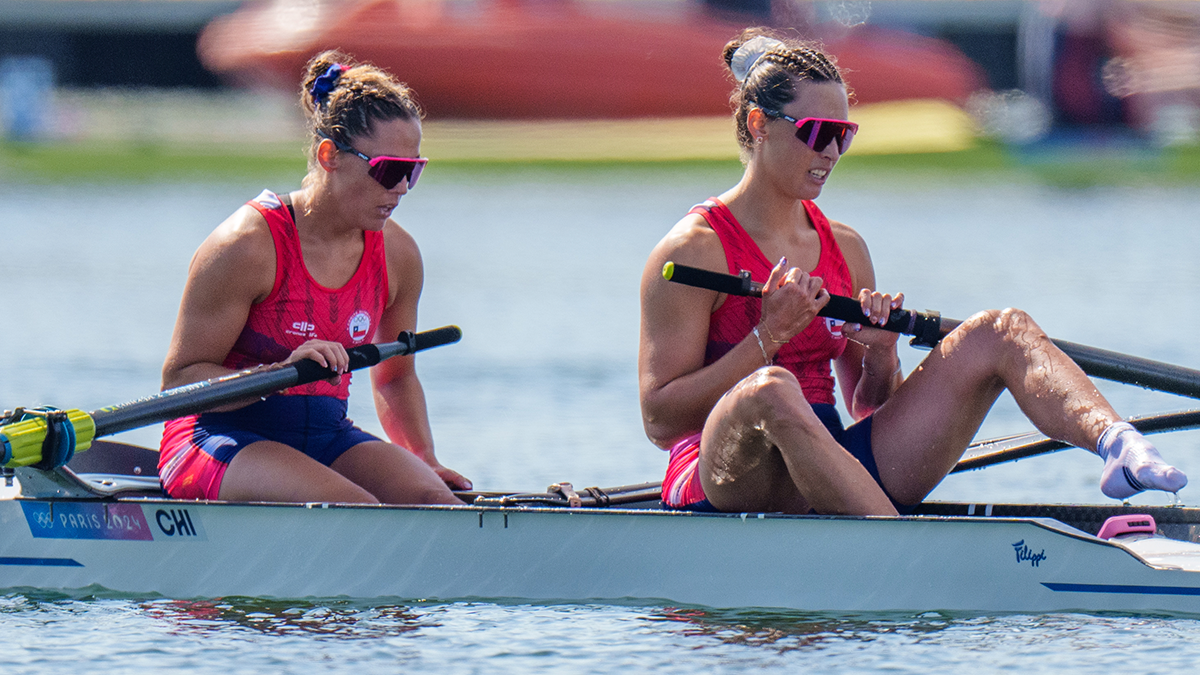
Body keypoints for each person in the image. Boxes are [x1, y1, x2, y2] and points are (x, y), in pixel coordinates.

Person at [638, 29, 1187, 516]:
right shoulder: (695, 250)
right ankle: (895, 543)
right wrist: (768, 336)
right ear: (759, 124)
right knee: (773, 389)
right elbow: (660, 420)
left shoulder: (845, 247)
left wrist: (881, 353)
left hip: (830, 464)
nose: (832, 152)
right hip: (724, 475)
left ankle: (1121, 446)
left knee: (1002, 329)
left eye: (844, 135)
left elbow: (870, 407)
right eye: (817, 132)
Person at [157, 51, 468, 504]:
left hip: (326, 433)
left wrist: (425, 459)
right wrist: (278, 375)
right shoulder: (246, 245)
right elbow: (179, 380)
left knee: (436, 503)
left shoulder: (399, 255)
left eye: (413, 171)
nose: (401, 188)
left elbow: (395, 379)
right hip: (216, 436)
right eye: (389, 170)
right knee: (357, 509)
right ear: (329, 156)